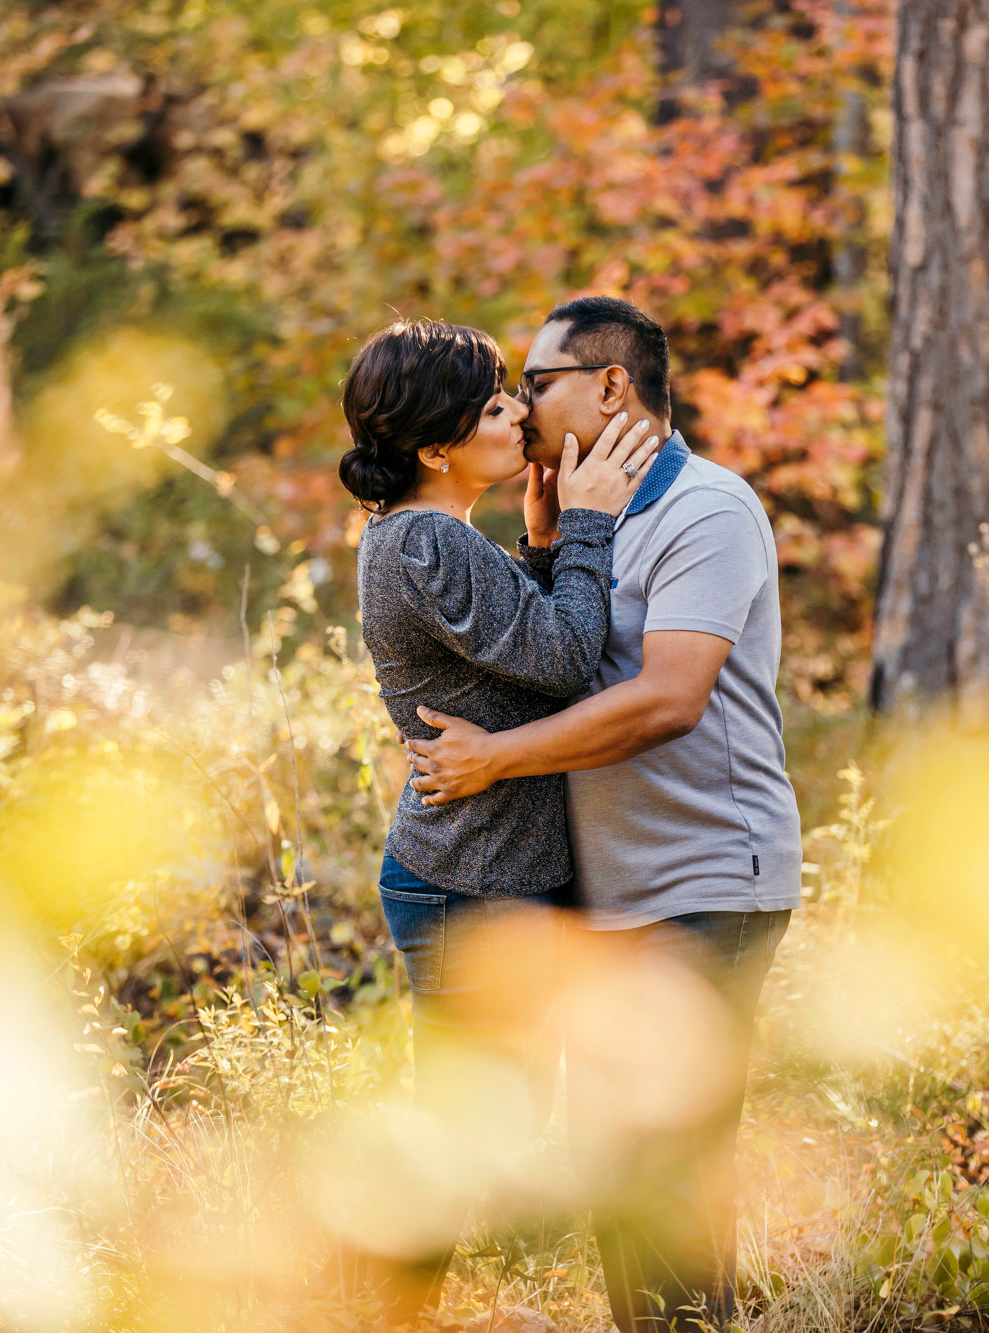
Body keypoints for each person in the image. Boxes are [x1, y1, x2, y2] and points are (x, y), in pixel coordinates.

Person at [405, 296, 802, 1333]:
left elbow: (669, 697)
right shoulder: (591, 508)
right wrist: (546, 548)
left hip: (706, 885)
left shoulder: (706, 510)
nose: (517, 402)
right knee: (620, 1185)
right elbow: (558, 661)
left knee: (660, 1176)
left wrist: (493, 759)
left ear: (612, 387)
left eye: (537, 383)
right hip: (612, 895)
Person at [337, 317, 659, 1320]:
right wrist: (594, 520)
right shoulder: (428, 538)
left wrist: (542, 541)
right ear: (435, 447)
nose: (517, 409)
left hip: (479, 869)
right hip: (471, 882)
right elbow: (561, 661)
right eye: (491, 405)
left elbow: (509, 652)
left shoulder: (427, 535)